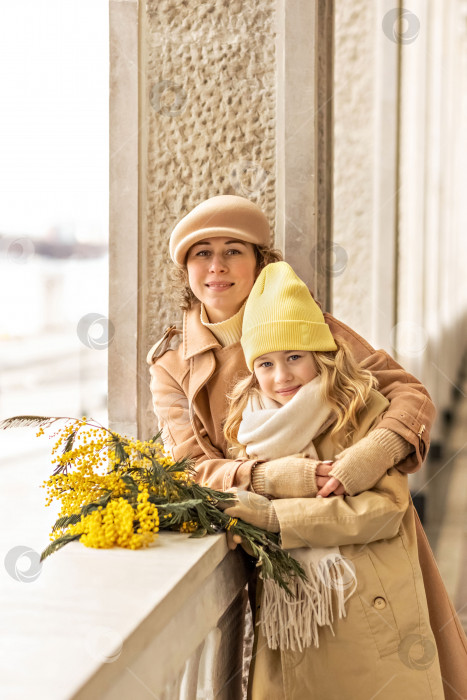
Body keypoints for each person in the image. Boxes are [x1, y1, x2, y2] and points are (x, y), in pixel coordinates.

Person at [147, 195, 467, 699]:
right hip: (286, 561)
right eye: (201, 253)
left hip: (364, 533)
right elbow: (188, 468)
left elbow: (407, 392)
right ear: (185, 268)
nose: (217, 267)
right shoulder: (172, 366)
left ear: (259, 261)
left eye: (234, 250)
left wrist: (373, 452)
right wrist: (268, 479)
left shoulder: (302, 319)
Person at [221, 260, 444, 699]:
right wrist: (266, 494)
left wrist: (276, 517)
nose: (281, 376)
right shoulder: (251, 426)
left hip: (365, 608)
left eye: (294, 357)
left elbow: (386, 509)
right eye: (265, 363)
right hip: (295, 624)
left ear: (319, 354)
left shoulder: (361, 409)